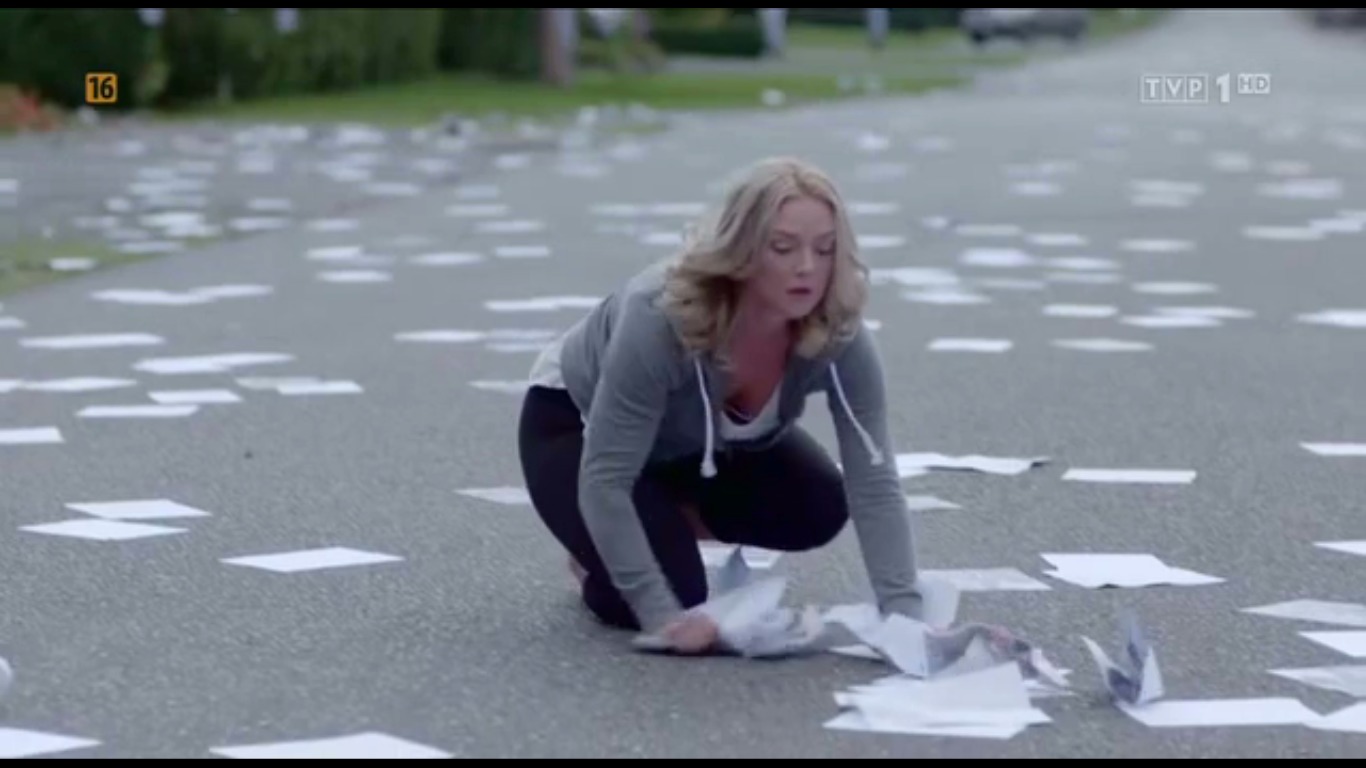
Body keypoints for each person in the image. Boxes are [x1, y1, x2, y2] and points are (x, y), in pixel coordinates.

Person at [517, 156, 926, 655]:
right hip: (575, 423)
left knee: (817, 505)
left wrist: (909, 623)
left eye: (824, 249)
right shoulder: (661, 315)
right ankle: (600, 554)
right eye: (783, 247)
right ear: (742, 250)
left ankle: (658, 517)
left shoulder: (836, 330)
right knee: (677, 588)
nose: (806, 268)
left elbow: (875, 483)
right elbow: (605, 478)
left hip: (689, 442)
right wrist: (664, 617)